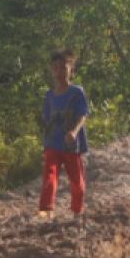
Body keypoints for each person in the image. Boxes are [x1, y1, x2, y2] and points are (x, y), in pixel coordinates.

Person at [38, 49, 90, 220]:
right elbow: (46, 118)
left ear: (71, 70)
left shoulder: (76, 93)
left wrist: (74, 132)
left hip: (70, 144)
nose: (59, 71)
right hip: (52, 143)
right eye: (56, 68)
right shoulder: (48, 96)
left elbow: (83, 115)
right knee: (49, 176)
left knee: (76, 181)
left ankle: (77, 211)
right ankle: (46, 212)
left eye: (63, 68)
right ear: (51, 70)